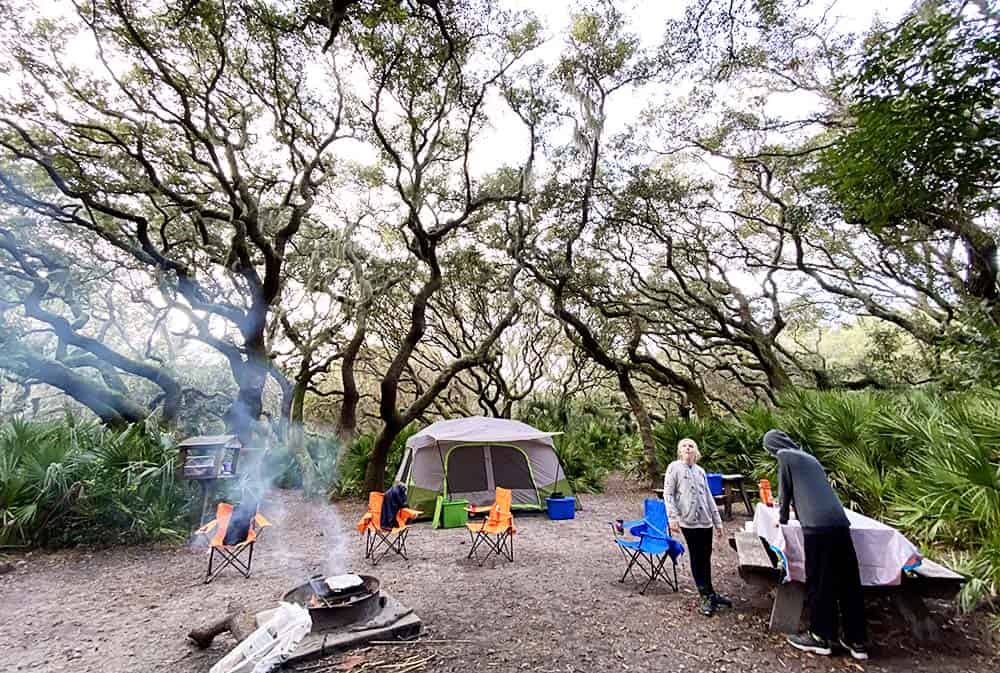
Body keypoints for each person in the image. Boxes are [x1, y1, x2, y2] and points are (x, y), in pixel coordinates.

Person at [763, 429, 869, 661]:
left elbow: (785, 492)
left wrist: (780, 520)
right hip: (840, 523)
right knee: (848, 580)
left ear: (772, 446)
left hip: (817, 526)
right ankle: (857, 640)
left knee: (820, 581)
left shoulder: (784, 456)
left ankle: (821, 636)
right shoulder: (809, 458)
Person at [663, 437, 731, 616]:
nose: (687, 448)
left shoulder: (700, 471)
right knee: (697, 556)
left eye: (691, 445)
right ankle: (705, 595)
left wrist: (718, 522)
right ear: (680, 451)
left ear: (696, 451)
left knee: (706, 556)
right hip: (688, 521)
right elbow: (668, 494)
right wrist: (672, 518)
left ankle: (711, 592)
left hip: (705, 521)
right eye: (684, 445)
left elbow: (708, 496)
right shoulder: (674, 468)